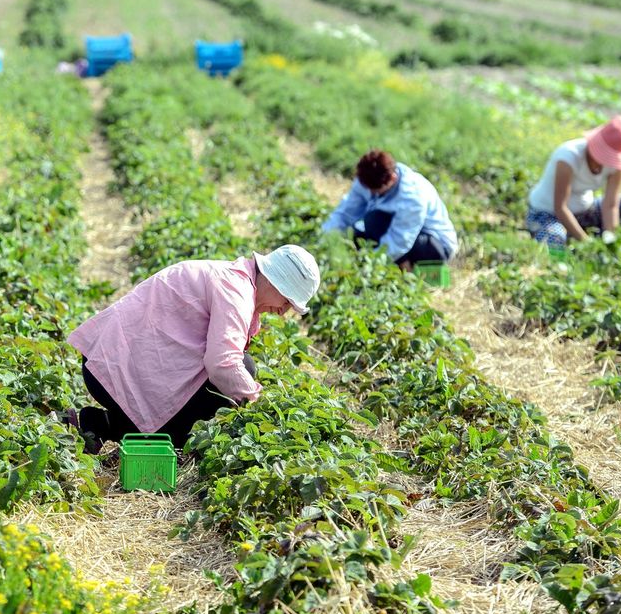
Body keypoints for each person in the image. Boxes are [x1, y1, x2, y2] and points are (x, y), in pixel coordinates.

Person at [64, 244, 320, 453]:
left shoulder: (236, 282)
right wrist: (260, 407)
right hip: (110, 368)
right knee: (238, 375)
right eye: (287, 301)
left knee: (221, 389)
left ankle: (94, 424)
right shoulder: (236, 290)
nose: (284, 311)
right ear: (275, 282)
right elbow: (224, 363)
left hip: (112, 364)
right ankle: (102, 425)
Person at [321, 149, 457, 270]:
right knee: (358, 232)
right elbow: (345, 214)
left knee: (375, 221)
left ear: (392, 178)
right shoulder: (366, 180)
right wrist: (325, 240)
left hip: (434, 245)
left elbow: (400, 241)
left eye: (376, 191)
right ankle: (397, 264)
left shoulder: (412, 196)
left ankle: (406, 269)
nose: (371, 194)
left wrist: (370, 266)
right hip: (399, 233)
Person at [526, 115, 621, 249]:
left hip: (585, 211)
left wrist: (610, 239)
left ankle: (587, 238)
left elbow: (611, 204)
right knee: (554, 238)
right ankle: (560, 261)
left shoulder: (616, 164)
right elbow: (560, 208)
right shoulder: (568, 158)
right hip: (549, 213)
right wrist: (586, 243)